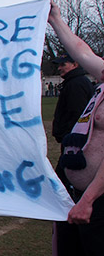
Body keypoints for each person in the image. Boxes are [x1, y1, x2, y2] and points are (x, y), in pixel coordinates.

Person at [46, 0, 104, 256]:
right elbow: (83, 52)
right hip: (75, 193)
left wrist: (89, 200)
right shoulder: (101, 79)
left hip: (97, 199)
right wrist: (56, 20)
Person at [51, 54, 94, 189]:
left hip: (74, 141)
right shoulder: (75, 82)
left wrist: (68, 136)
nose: (59, 68)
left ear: (75, 64)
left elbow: (78, 114)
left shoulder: (75, 84)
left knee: (63, 179)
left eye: (63, 64)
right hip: (73, 139)